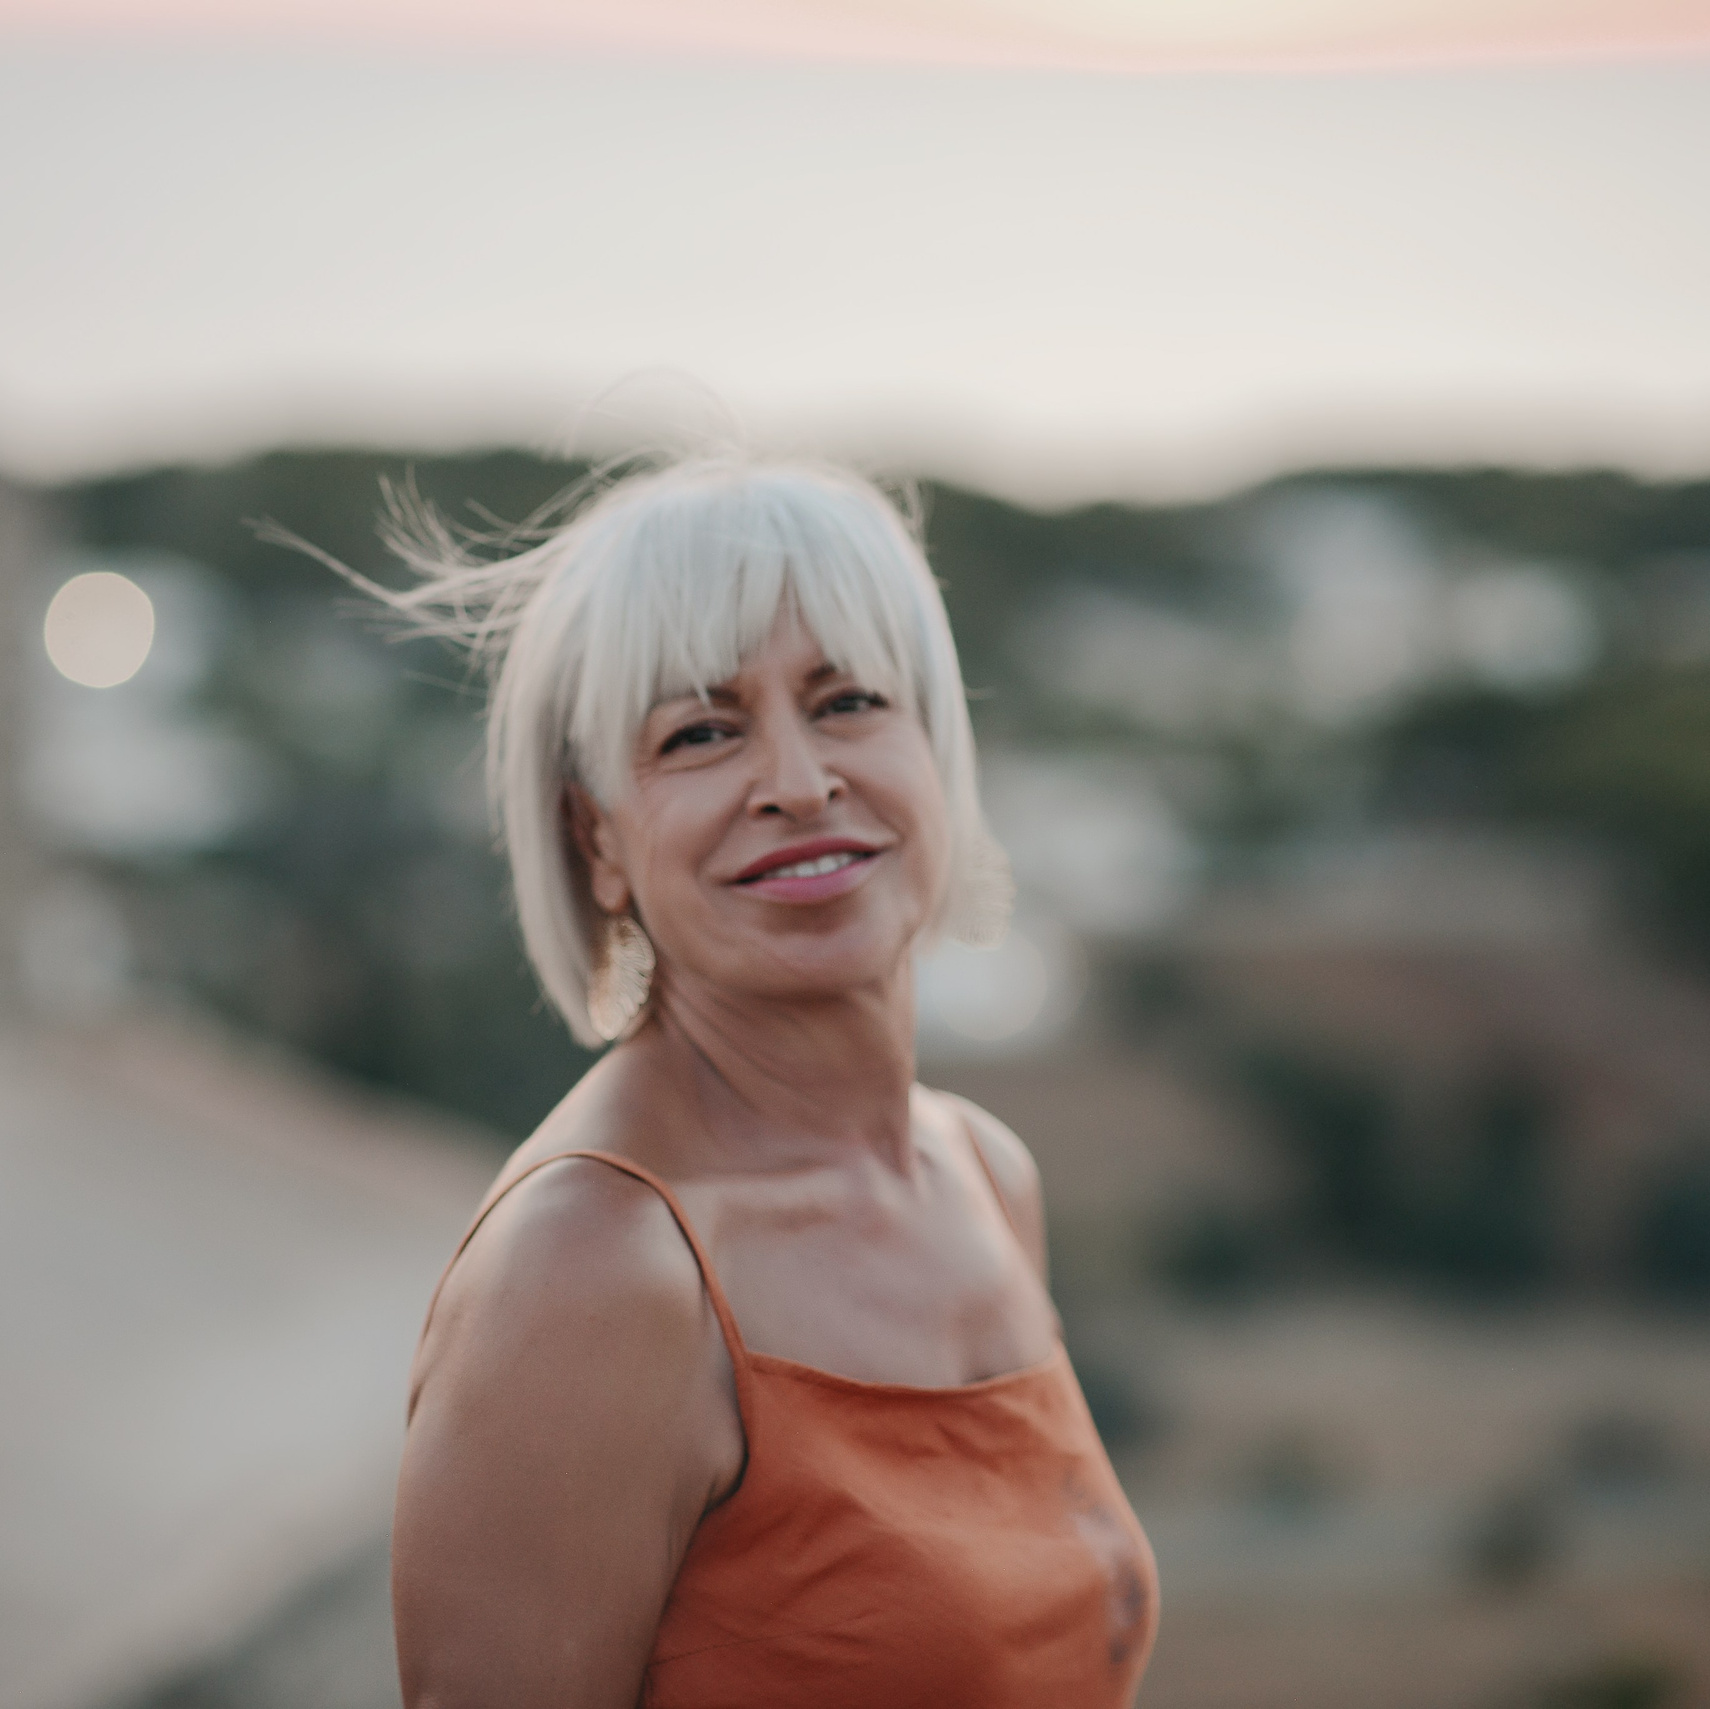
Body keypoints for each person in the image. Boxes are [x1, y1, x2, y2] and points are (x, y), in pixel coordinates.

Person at [379, 456, 1159, 1707]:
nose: (798, 782)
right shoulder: (591, 1266)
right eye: (701, 730)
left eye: (847, 700)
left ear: (936, 747)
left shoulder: (982, 1172)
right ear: (600, 841)